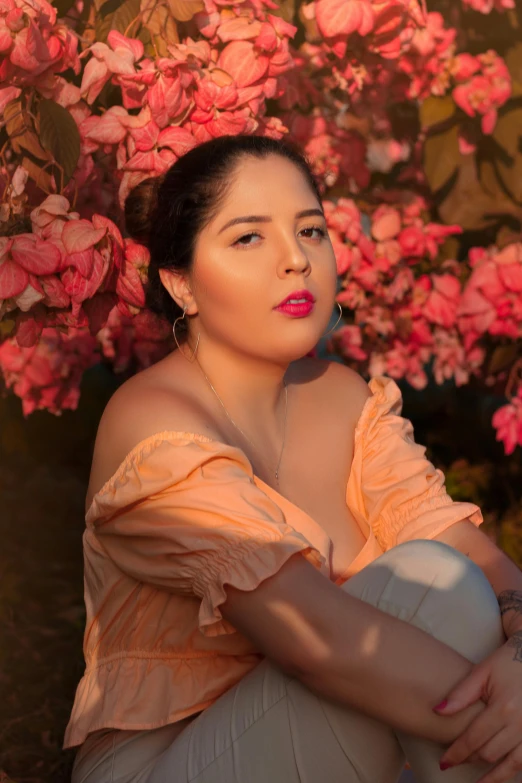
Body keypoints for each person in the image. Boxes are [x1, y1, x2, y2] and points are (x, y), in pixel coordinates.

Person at [66, 134, 522, 783]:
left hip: (346, 730)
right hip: (172, 761)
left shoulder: (343, 396)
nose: (296, 261)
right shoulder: (156, 424)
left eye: (310, 230)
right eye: (248, 237)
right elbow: (318, 643)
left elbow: (463, 548)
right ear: (181, 283)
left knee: (442, 578)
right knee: (425, 587)